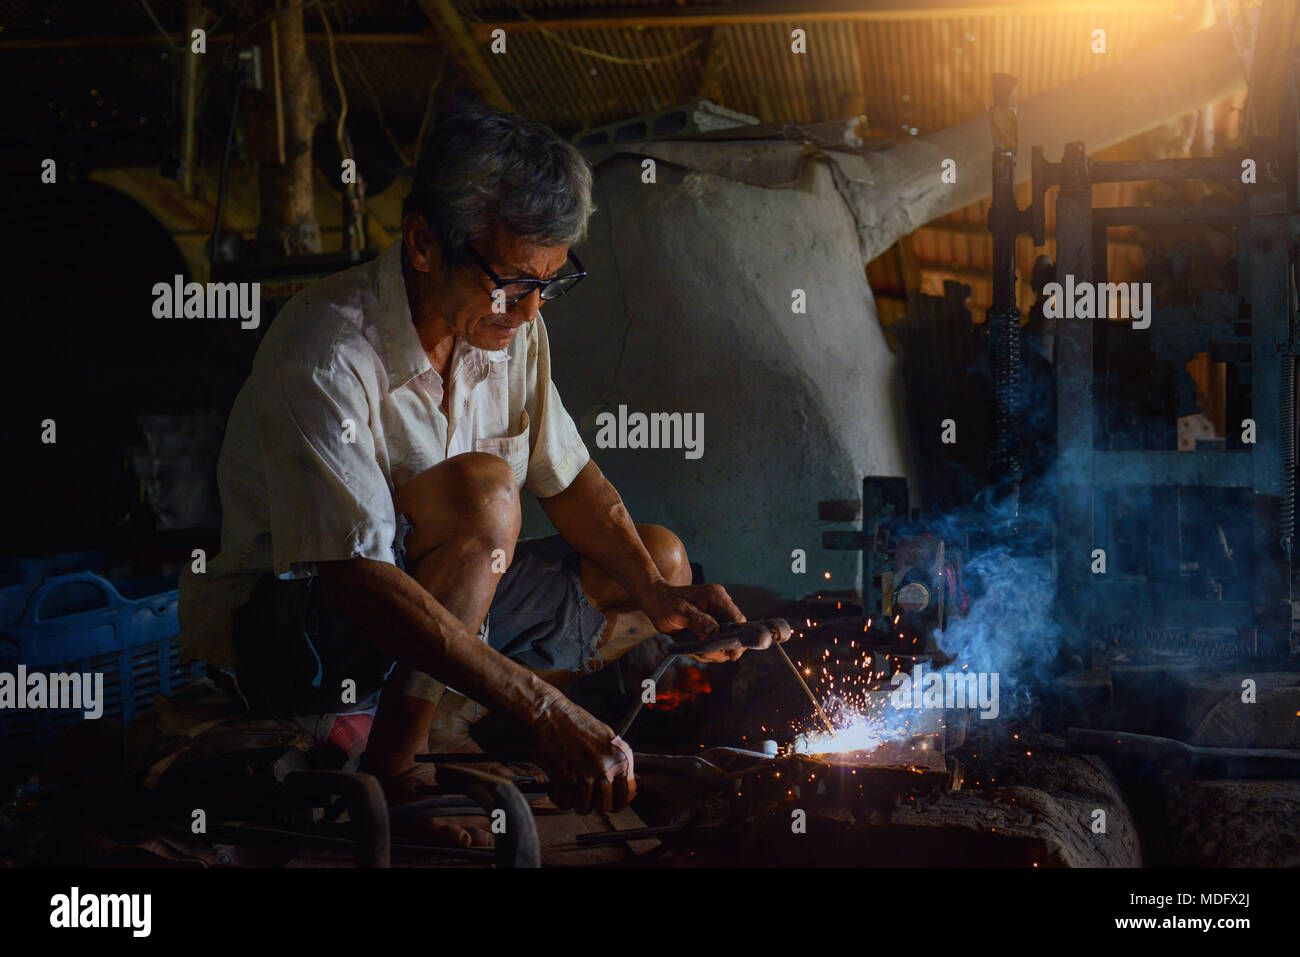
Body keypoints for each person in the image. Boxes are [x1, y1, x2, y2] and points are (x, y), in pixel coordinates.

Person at [179, 103, 770, 847]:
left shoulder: (509, 331)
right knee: (487, 498)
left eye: (549, 285)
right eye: (513, 284)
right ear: (425, 243)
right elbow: (356, 576)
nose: (528, 313)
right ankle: (395, 769)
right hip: (295, 629)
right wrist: (543, 709)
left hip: (436, 592)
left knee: (656, 554)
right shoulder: (326, 352)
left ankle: (473, 713)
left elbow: (571, 479)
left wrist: (659, 593)